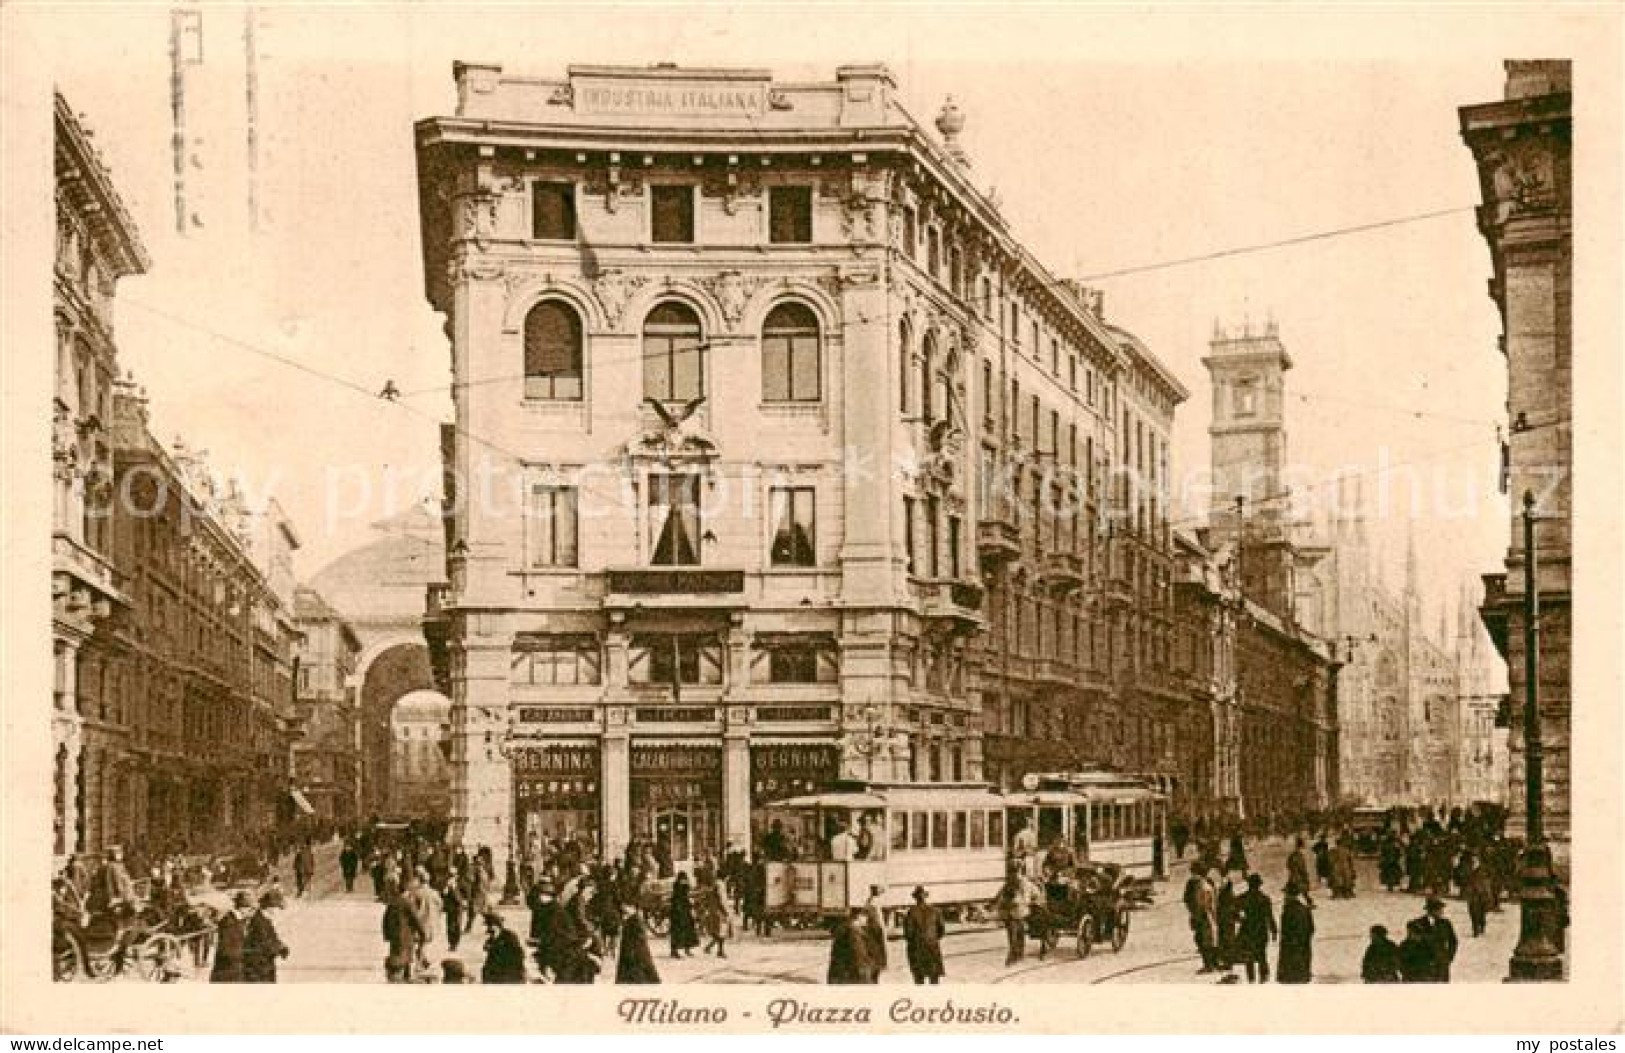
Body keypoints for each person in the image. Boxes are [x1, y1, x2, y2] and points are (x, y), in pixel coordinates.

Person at [1235, 874, 1277, 984]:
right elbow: (1269, 916)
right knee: (1262, 955)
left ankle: (1251, 979)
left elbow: (1233, 911)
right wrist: (1274, 931)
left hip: (1248, 929)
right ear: (1259, 885)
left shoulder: (1243, 898)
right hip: (1261, 930)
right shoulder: (1264, 899)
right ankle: (1263, 977)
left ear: (1249, 884)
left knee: (1249, 957)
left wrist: (1239, 919)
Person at [902, 886, 945, 984]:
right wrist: (932, 938)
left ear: (915, 898)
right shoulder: (935, 911)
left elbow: (908, 934)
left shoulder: (911, 912)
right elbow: (942, 931)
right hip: (932, 947)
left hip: (917, 949)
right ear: (926, 897)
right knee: (934, 979)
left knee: (919, 979)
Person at [381, 885, 424, 983]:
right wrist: (422, 933)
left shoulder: (392, 903)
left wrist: (387, 935)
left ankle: (394, 976)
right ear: (406, 892)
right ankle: (405, 977)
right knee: (407, 956)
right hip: (406, 935)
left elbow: (385, 920)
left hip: (394, 936)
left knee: (395, 955)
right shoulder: (407, 903)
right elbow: (416, 919)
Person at [244, 892, 290, 982]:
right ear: (270, 907)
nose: (278, 911)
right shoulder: (258, 921)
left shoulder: (265, 920)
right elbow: (264, 943)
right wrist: (279, 949)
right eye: (277, 908)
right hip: (257, 968)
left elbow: (273, 937)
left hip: (265, 966)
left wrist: (281, 946)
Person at [210, 891, 256, 983]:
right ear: (243, 908)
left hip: (235, 969)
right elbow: (226, 948)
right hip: (227, 971)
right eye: (250, 909)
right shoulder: (229, 922)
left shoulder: (239, 920)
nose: (251, 913)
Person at [1183, 863, 1220, 974]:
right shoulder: (1207, 883)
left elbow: (1199, 902)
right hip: (1208, 914)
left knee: (1202, 940)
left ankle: (1209, 965)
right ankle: (1213, 963)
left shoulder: (1199, 885)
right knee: (1208, 940)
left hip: (1203, 915)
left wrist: (1195, 915)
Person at [1276, 881, 1315, 984]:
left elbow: (1285, 929)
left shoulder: (1288, 909)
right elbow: (1311, 928)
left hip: (1290, 945)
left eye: (1286, 894)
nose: (1285, 897)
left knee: (1290, 971)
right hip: (1303, 944)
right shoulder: (1304, 909)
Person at [615, 901, 661, 984]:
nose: (624, 908)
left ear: (632, 907)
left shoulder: (635, 920)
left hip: (635, 949)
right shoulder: (630, 919)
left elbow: (640, 936)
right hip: (630, 948)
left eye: (626, 906)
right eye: (623, 907)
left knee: (639, 968)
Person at [827, 909, 877, 984]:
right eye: (865, 916)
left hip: (839, 974)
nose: (867, 920)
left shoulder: (845, 929)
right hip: (852, 977)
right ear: (858, 917)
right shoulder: (854, 933)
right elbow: (859, 957)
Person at [996, 869, 1032, 966]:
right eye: (1012, 873)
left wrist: (1015, 901)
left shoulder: (1024, 883)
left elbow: (1025, 897)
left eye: (1015, 872)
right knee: (1014, 933)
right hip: (1011, 913)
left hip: (1019, 911)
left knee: (1016, 933)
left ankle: (1015, 955)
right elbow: (1000, 895)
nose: (1014, 875)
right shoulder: (1009, 883)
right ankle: (1017, 954)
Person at [480, 912, 527, 984]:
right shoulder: (491, 939)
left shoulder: (510, 936)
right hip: (496, 972)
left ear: (497, 925)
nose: (488, 928)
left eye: (490, 925)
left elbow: (519, 954)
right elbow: (490, 960)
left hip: (510, 972)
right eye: (487, 925)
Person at [1420, 896, 1459, 981]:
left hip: (1442, 964)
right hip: (1425, 965)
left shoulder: (1446, 923)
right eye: (1439, 909)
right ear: (1431, 910)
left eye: (1441, 909)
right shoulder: (1418, 924)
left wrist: (1449, 957)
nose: (1442, 912)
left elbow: (1453, 941)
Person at [668, 872, 700, 959]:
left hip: (685, 912)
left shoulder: (684, 887)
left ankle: (687, 949)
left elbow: (687, 897)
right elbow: (679, 899)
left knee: (688, 931)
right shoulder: (677, 888)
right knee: (678, 932)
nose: (684, 881)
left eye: (685, 880)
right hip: (678, 913)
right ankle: (674, 951)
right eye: (683, 880)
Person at [698, 876, 730, 959]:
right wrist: (725, 912)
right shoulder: (718, 893)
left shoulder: (709, 892)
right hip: (718, 914)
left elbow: (704, 901)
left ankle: (711, 948)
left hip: (711, 913)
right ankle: (719, 950)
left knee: (715, 932)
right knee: (720, 932)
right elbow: (721, 903)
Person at [1398, 918, 1437, 982]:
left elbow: (1434, 959)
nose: (1410, 934)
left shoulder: (1427, 945)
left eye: (1414, 932)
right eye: (1409, 932)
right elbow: (1400, 961)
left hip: (1425, 977)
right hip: (1410, 977)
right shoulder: (1405, 945)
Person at [862, 885, 888, 978]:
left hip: (874, 931)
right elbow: (876, 919)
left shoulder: (870, 902)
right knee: (877, 956)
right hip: (876, 932)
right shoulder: (873, 903)